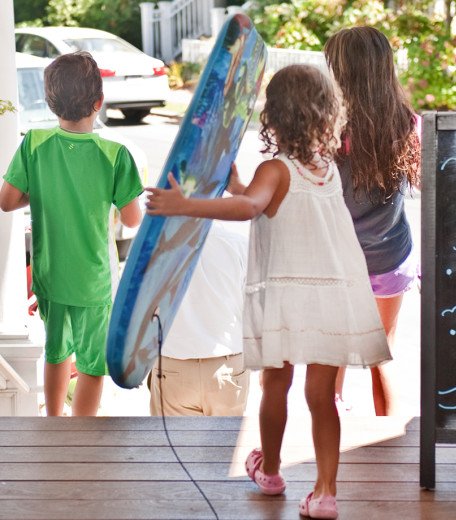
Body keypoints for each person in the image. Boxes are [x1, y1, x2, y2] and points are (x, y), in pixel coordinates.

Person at [145, 64, 390, 520]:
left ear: (273, 118)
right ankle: (325, 494)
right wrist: (239, 186)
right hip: (334, 294)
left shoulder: (275, 169)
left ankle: (272, 471)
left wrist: (186, 205)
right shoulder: (327, 169)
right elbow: (261, 200)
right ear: (326, 116)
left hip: (285, 298)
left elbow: (252, 206)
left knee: (275, 385)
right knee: (322, 398)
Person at [0, 52, 143, 417]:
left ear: (51, 103)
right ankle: (79, 437)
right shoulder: (115, 154)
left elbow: (6, 200)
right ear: (99, 102)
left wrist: (46, 191)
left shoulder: (33, 143)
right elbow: (132, 218)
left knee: (56, 351)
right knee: (93, 366)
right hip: (94, 281)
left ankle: (53, 425)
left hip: (51, 275)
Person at [323, 27, 422, 416]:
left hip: (335, 261)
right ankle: (390, 448)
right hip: (389, 257)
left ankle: (331, 446)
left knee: (332, 354)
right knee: (383, 355)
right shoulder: (405, 124)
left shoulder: (325, 128)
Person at [148, 223, 250, 416]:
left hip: (173, 364)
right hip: (228, 366)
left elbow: (140, 310)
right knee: (225, 445)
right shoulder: (238, 244)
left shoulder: (155, 247)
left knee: (174, 446)